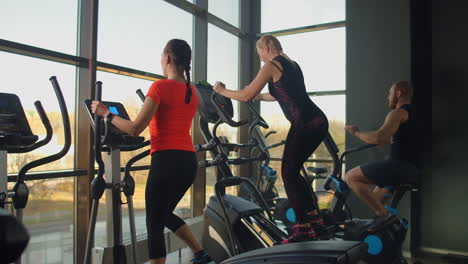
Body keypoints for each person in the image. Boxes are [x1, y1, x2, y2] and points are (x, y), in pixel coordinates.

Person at [92, 39, 211, 264]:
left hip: (166, 160)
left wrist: (106, 113)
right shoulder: (192, 91)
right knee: (163, 213)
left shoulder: (159, 87)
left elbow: (135, 129)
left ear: (167, 58)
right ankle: (200, 253)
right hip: (187, 162)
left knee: (154, 222)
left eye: (161, 57)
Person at [212, 34, 329, 244]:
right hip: (318, 120)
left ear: (266, 47)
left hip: (304, 123)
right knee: (294, 171)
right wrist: (257, 95)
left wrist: (222, 91)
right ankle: (314, 218)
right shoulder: (292, 64)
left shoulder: (270, 65)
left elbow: (246, 94)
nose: (260, 59)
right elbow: (277, 94)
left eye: (259, 54)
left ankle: (303, 228)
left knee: (288, 172)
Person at [344, 80, 419, 219]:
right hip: (411, 169)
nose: (388, 97)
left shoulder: (398, 113)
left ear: (399, 93)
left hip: (398, 167)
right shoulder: (415, 114)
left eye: (390, 93)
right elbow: (385, 139)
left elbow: (378, 138)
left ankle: (382, 213)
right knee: (375, 200)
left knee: (350, 177)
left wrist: (356, 132)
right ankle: (384, 229)